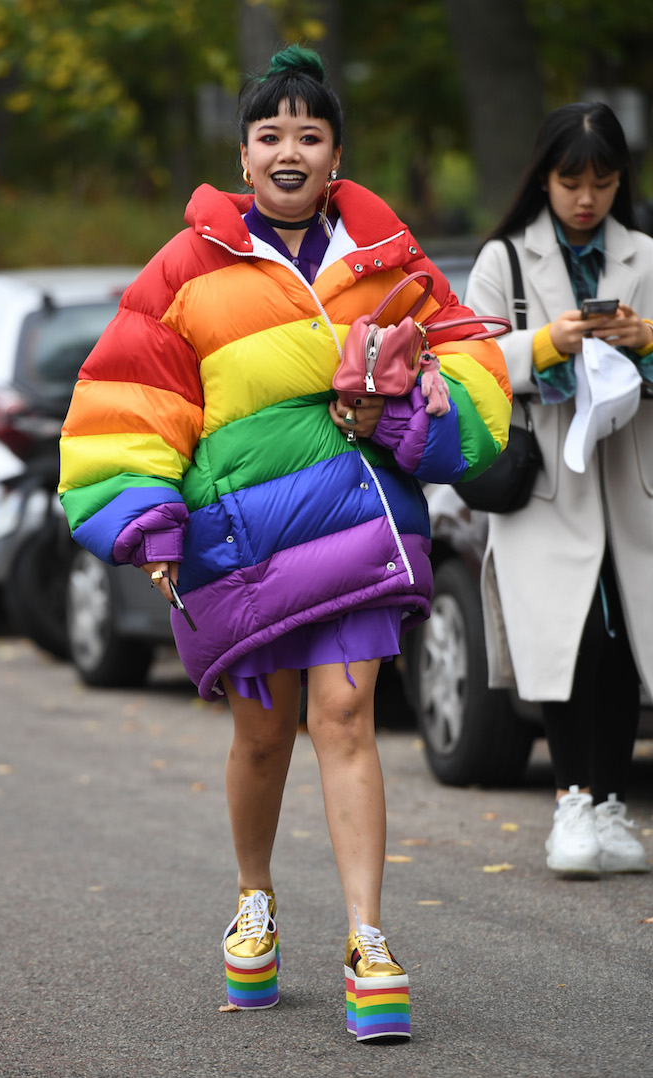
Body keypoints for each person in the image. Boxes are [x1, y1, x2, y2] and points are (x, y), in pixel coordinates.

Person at [59, 46, 510, 1040]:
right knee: (263, 735)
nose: (290, 149)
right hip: (241, 548)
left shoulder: (390, 257)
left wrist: (405, 426)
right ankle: (254, 898)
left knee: (345, 715)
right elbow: (126, 404)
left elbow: (473, 364)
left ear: (336, 152)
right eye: (272, 134)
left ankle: (368, 939)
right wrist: (148, 519)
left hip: (356, 526)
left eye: (310, 133)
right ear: (245, 152)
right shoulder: (183, 269)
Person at [464, 102, 653, 878]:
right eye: (571, 181)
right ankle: (572, 800)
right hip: (546, 488)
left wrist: (645, 341)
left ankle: (610, 806)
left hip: (631, 485)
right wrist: (548, 344)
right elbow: (466, 365)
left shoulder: (644, 252)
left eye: (602, 182)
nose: (586, 198)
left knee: (623, 647)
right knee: (566, 643)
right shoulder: (503, 261)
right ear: (543, 177)